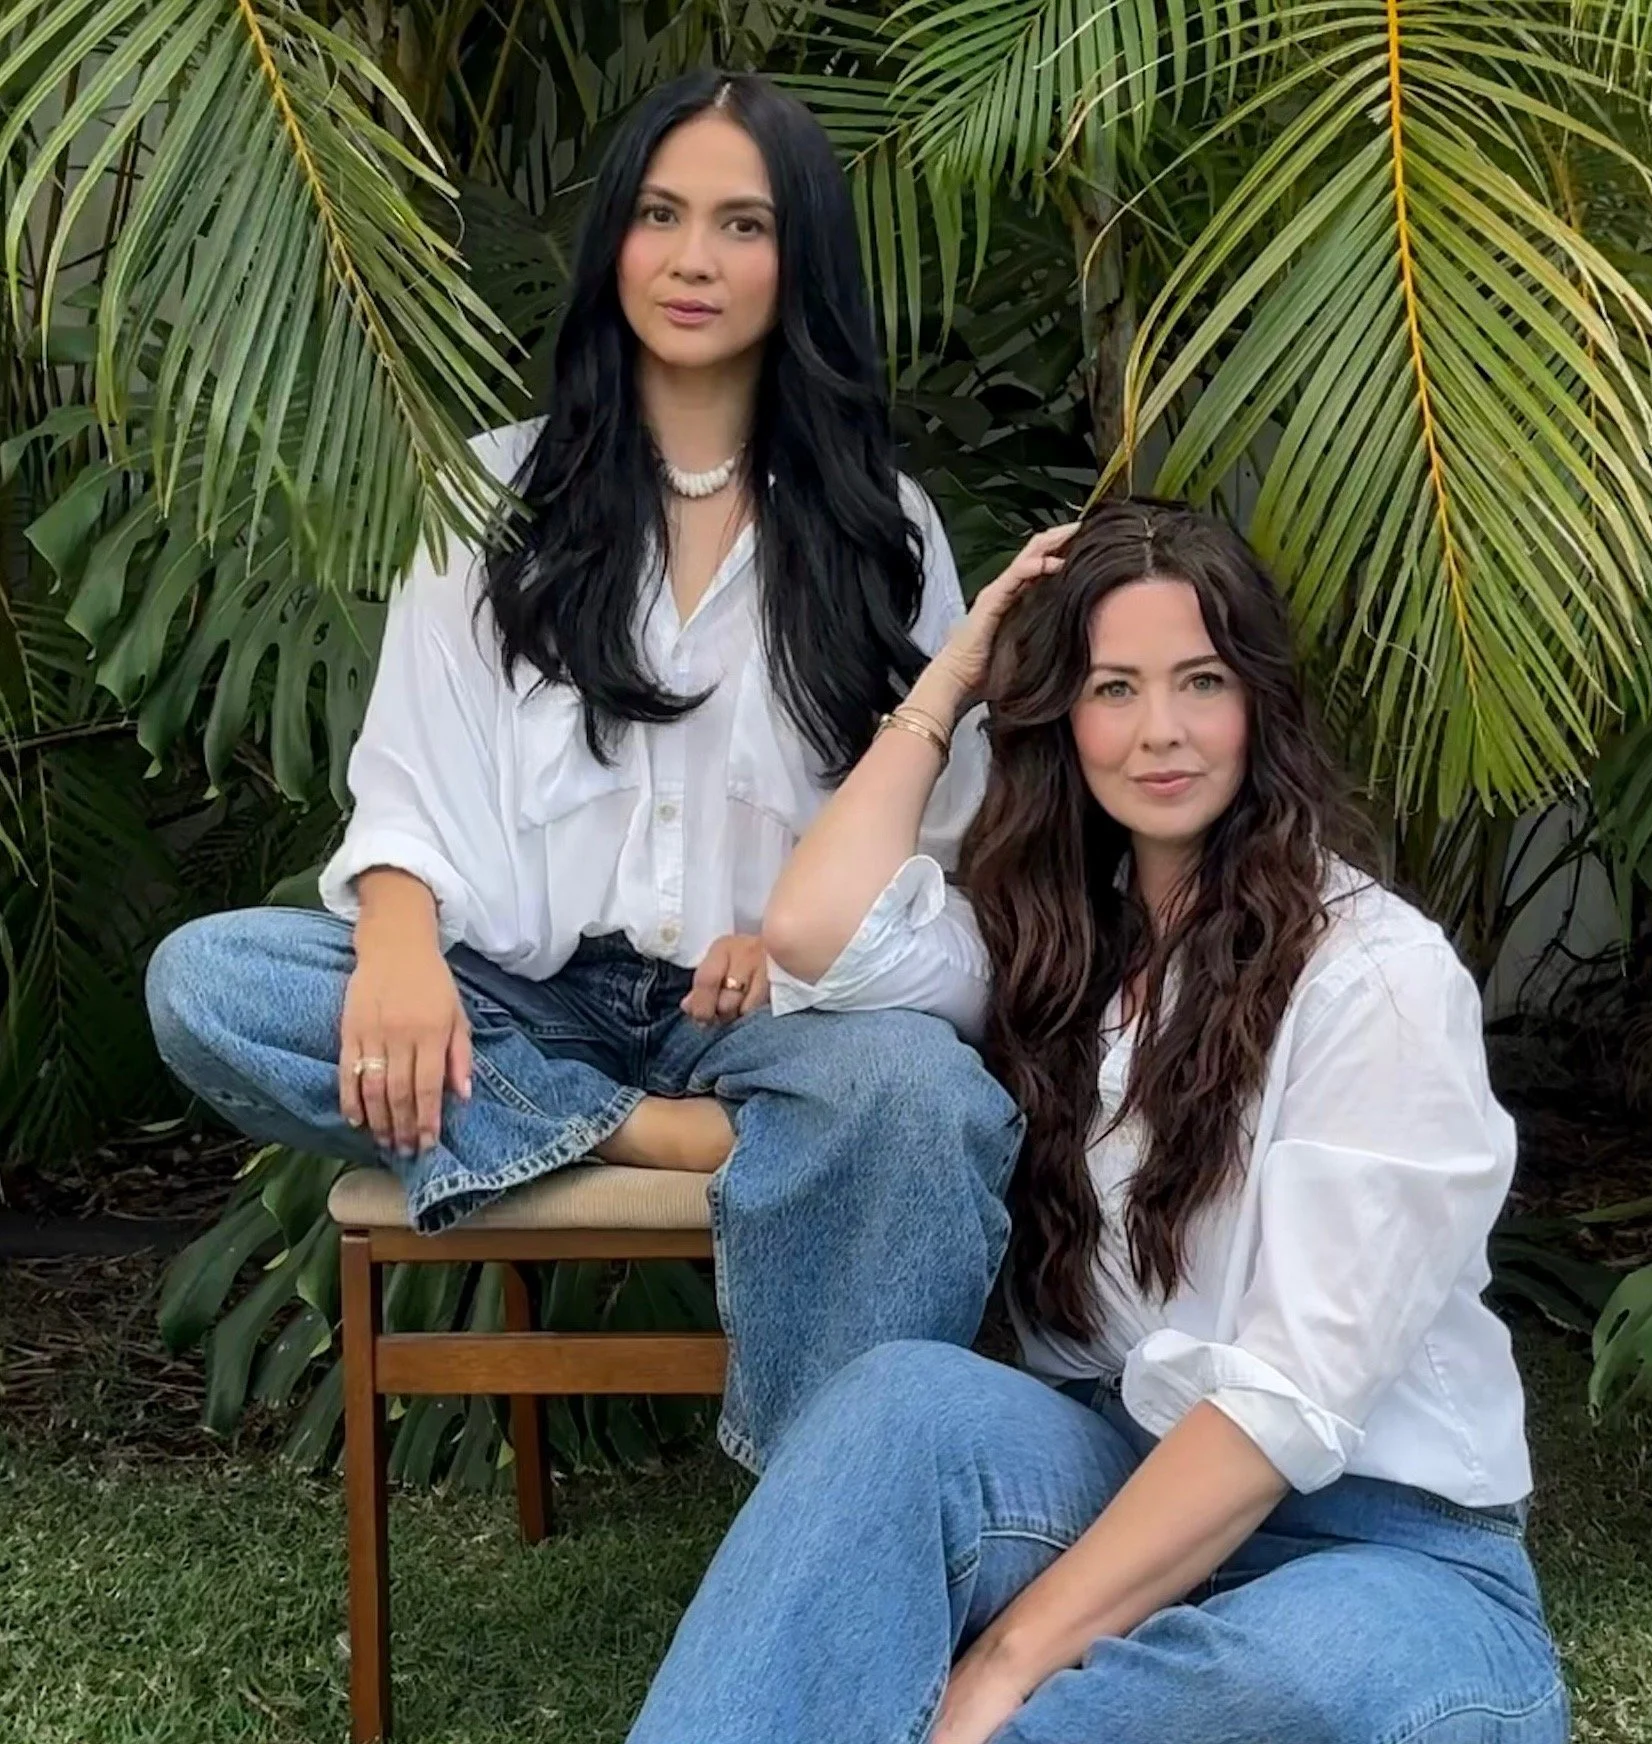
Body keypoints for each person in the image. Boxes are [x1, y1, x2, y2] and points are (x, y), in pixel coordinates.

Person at [145, 70, 1019, 1469]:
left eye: (742, 225)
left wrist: (797, 954)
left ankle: (830, 1505)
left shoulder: (881, 532)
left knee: (924, 1102)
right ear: (613, 236)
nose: (691, 260)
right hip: (514, 1000)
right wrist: (397, 939)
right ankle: (686, 1141)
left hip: (763, 1023)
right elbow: (412, 782)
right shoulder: (489, 500)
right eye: (661, 215)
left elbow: (940, 845)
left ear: (800, 262)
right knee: (211, 984)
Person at [628, 499, 1569, 1743]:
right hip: (1116, 1478)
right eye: (1113, 688)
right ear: (1063, 719)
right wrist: (955, 677)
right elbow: (820, 932)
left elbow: (1286, 1403)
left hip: (1388, 1549)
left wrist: (1006, 1658)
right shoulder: (1054, 948)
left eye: (1200, 681)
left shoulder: (1375, 976)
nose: (1160, 732)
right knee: (897, 1406)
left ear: (1259, 705)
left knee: (1267, 1687)